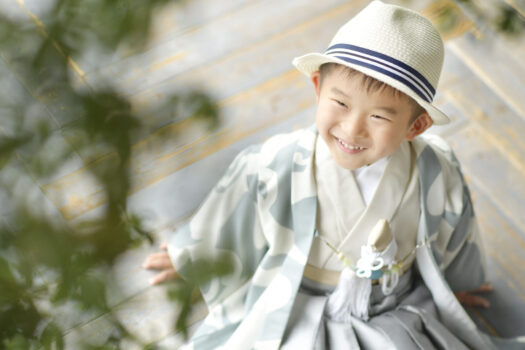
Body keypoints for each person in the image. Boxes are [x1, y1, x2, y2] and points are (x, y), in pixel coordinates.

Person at [142, 1, 523, 349]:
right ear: (317, 86)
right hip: (303, 298)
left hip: (394, 302)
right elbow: (234, 208)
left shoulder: (435, 168)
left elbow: (455, 228)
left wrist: (455, 286)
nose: (352, 129)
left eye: (378, 116)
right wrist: (191, 253)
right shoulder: (279, 162)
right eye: (339, 103)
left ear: (416, 125)